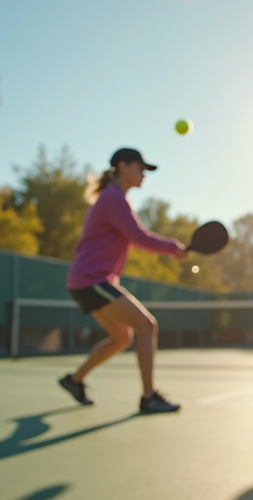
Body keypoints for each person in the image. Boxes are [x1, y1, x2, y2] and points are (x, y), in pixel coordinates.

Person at [58, 148, 189, 412]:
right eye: (140, 168)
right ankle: (149, 396)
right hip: (92, 280)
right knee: (147, 325)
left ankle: (74, 380)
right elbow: (139, 237)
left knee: (122, 338)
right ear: (123, 166)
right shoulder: (114, 199)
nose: (143, 175)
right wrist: (172, 247)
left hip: (89, 281)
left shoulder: (115, 199)